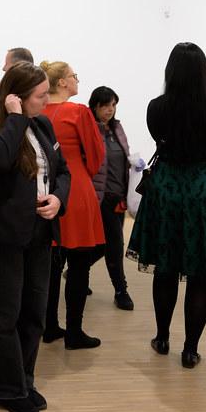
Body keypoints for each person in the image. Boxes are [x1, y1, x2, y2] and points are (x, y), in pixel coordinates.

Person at [127, 43, 206, 368]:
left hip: (167, 188)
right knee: (201, 273)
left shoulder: (156, 107)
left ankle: (162, 337)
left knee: (165, 267)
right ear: (200, 73)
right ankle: (190, 350)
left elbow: (159, 137)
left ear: (170, 72)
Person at [0, 62, 71, 412]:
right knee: (4, 315)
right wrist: (16, 119)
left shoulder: (43, 125)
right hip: (5, 236)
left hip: (40, 231)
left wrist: (58, 198)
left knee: (34, 312)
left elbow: (62, 170)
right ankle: (7, 389)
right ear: (16, 97)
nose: (47, 101)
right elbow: (0, 161)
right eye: (40, 96)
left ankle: (24, 381)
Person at [39, 60, 106, 349]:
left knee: (52, 264)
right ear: (62, 82)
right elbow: (96, 154)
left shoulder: (39, 111)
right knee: (79, 264)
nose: (77, 80)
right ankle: (75, 332)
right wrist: (81, 172)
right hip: (76, 189)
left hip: (46, 190)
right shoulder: (78, 112)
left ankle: (49, 326)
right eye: (73, 76)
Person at [89, 86, 134, 311]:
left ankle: (78, 268)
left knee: (101, 244)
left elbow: (124, 157)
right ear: (95, 106)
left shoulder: (117, 128)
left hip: (119, 196)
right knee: (115, 244)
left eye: (113, 105)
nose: (110, 109)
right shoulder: (89, 129)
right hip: (100, 196)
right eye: (105, 105)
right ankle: (121, 291)